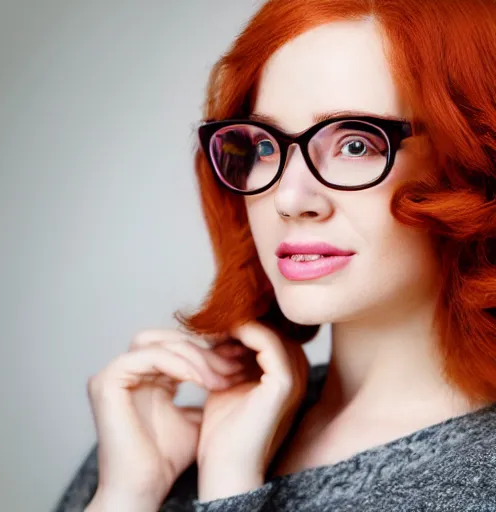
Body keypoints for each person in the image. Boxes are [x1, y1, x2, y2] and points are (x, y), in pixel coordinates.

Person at [55, 0, 496, 510]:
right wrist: (128, 493)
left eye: (356, 144)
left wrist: (229, 490)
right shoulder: (168, 438)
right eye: (265, 147)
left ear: (474, 163)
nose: (288, 200)